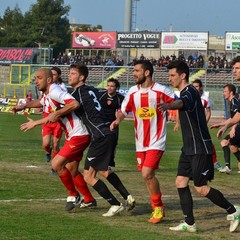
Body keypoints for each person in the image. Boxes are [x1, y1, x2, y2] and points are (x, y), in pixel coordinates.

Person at [159, 60, 239, 233]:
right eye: (169, 74)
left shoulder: (190, 92)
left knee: (201, 187)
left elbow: (181, 104)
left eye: (173, 75)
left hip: (200, 147)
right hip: (188, 148)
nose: (170, 78)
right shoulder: (184, 92)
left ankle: (234, 211)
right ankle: (189, 223)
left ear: (183, 75)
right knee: (180, 182)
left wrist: (167, 106)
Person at [47, 63, 135, 217]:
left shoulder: (77, 94)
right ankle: (127, 196)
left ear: (81, 77)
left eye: (73, 73)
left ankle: (115, 204)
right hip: (107, 132)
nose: (70, 75)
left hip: (100, 135)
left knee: (88, 176)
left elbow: (68, 107)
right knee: (103, 170)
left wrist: (46, 116)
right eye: (70, 73)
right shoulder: (93, 90)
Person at [13, 68, 96, 211]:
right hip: (74, 134)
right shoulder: (48, 93)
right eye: (35, 78)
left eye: (39, 78)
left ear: (49, 80)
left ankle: (73, 195)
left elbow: (74, 103)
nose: (36, 81)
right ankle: (89, 199)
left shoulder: (55, 91)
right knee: (72, 170)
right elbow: (41, 102)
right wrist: (24, 106)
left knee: (56, 164)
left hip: (79, 134)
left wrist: (42, 119)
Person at [110, 60, 176, 224]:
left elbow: (178, 102)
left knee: (147, 173)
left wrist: (174, 112)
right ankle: (157, 208)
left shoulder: (161, 90)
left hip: (156, 140)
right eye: (134, 71)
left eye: (137, 71)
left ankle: (158, 207)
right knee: (147, 176)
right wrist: (117, 120)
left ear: (147, 73)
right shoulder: (132, 92)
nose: (134, 73)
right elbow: (123, 111)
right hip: (140, 142)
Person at [211, 56, 240, 174]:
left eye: (237, 68)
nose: (234, 71)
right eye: (233, 68)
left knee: (227, 143)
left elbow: (237, 118)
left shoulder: (235, 100)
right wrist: (223, 126)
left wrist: (225, 126)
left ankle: (228, 166)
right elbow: (237, 117)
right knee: (232, 146)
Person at [98, 78, 125, 167]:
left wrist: (117, 119)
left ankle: (109, 162)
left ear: (116, 88)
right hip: (101, 122)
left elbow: (121, 112)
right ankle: (99, 162)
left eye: (112, 86)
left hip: (113, 123)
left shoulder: (120, 98)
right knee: (100, 143)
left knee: (113, 144)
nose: (109, 88)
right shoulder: (100, 95)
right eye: (108, 85)